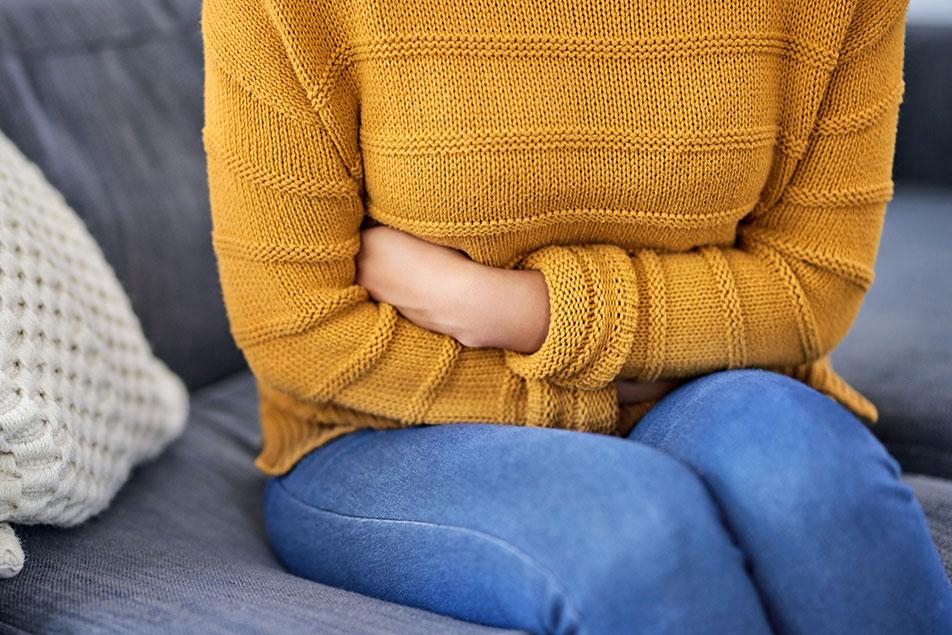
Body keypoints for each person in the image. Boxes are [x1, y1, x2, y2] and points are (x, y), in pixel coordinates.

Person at [200, 0, 952, 632]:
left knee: (819, 485)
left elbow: (809, 286)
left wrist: (507, 310)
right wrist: (603, 388)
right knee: (633, 531)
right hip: (383, 430)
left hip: (702, 391)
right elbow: (297, 330)